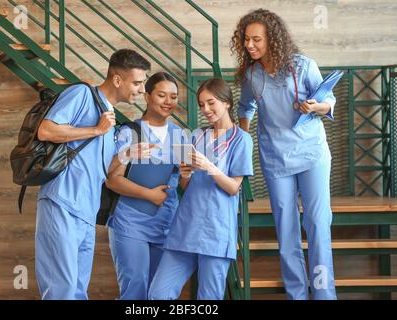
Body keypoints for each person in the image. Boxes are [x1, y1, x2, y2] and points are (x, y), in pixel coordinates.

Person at [230, 9, 337, 300]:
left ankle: (325, 294)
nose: (249, 46)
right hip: (276, 159)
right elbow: (245, 108)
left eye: (256, 40)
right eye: (245, 40)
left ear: (273, 39)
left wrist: (315, 107)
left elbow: (328, 101)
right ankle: (297, 295)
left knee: (316, 223)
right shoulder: (252, 75)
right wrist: (241, 140)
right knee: (286, 231)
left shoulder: (303, 66)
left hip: (311, 154)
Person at [34, 49, 151, 300]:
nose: (142, 90)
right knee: (61, 290)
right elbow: (45, 130)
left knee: (77, 291)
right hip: (62, 204)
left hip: (86, 214)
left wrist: (127, 154)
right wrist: (96, 130)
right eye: (138, 82)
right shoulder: (82, 95)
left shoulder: (108, 118)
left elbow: (106, 172)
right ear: (118, 80)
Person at [148, 78, 253, 300]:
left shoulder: (241, 140)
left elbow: (234, 187)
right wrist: (186, 174)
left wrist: (208, 166)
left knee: (209, 298)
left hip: (216, 230)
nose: (206, 109)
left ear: (226, 103)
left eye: (211, 103)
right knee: (158, 293)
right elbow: (186, 186)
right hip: (186, 227)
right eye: (202, 104)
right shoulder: (197, 136)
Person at [105, 72, 185, 300]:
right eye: (162, 95)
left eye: (173, 96)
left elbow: (182, 180)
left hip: (166, 225)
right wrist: (148, 194)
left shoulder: (180, 135)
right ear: (148, 96)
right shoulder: (129, 132)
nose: (168, 101)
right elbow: (112, 179)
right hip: (130, 222)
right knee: (135, 290)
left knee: (159, 293)